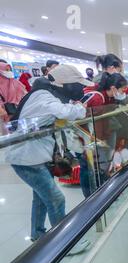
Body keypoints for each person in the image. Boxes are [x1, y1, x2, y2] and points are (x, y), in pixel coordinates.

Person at [5, 65, 91, 243]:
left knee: (41, 197)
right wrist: (80, 108)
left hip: (35, 156)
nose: (80, 89)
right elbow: (65, 112)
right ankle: (63, 243)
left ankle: (37, 234)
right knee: (56, 199)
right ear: (64, 84)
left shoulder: (49, 95)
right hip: (27, 158)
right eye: (77, 84)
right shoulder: (43, 96)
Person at [81, 72, 128, 195]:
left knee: (103, 165)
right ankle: (96, 195)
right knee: (97, 167)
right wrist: (101, 140)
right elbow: (95, 123)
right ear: (113, 88)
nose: (123, 93)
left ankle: (101, 191)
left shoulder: (108, 97)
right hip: (92, 139)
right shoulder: (98, 98)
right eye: (122, 90)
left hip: (99, 137)